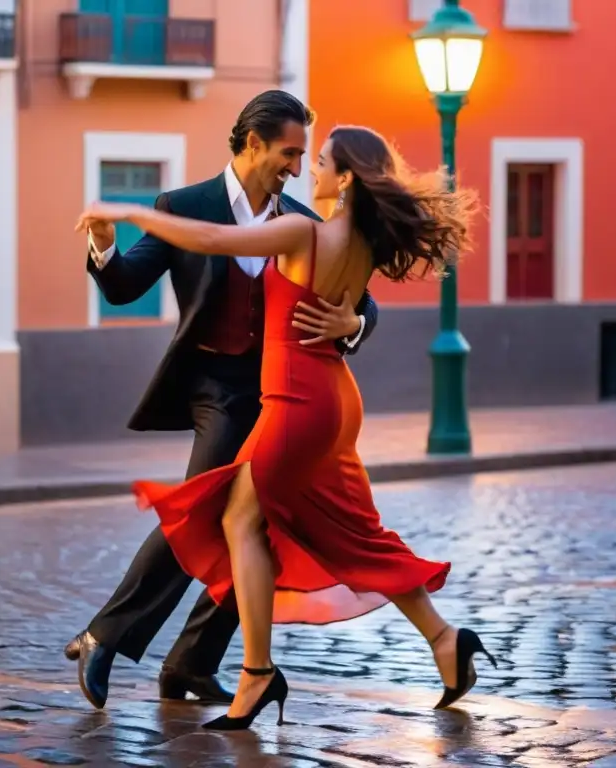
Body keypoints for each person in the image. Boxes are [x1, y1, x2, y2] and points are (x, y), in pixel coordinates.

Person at [75, 125, 496, 731]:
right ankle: (444, 640)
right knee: (355, 534)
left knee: (237, 519)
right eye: (299, 155)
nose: (308, 170)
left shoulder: (302, 229)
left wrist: (127, 208)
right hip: (331, 399)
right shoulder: (362, 240)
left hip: (296, 402)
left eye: (319, 160)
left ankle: (256, 674)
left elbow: (213, 238)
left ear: (346, 178)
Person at [65, 91, 380, 711]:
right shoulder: (184, 206)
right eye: (288, 153)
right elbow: (126, 286)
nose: (295, 167)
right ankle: (105, 634)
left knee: (262, 526)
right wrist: (104, 247)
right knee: (206, 507)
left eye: (303, 157)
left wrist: (353, 323)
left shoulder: (302, 219)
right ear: (253, 143)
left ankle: (190, 662)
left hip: (284, 391)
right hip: (216, 386)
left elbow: (361, 298)